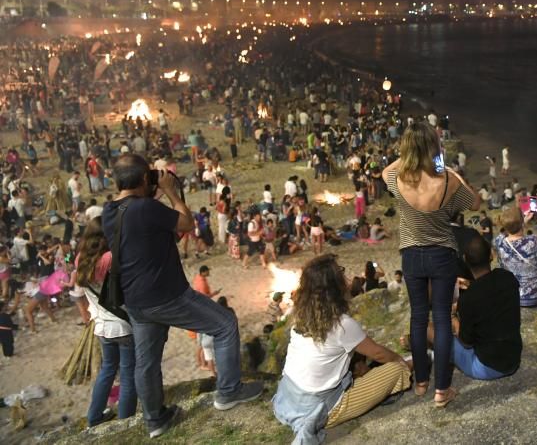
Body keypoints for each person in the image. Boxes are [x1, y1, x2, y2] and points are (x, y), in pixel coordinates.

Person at [102, 154, 262, 438]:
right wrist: (170, 191)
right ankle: (228, 392)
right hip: (166, 295)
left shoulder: (110, 211)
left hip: (135, 301)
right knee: (225, 325)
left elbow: (148, 235)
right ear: (143, 179)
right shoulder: (146, 208)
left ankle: (155, 420)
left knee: (147, 362)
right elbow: (187, 224)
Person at [382, 121, 478, 407]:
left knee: (417, 317)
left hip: (411, 254)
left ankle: (421, 382)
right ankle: (442, 390)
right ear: (434, 148)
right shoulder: (447, 180)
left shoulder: (397, 178)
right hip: (442, 255)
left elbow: (384, 170)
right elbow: (474, 203)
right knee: (442, 320)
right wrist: (446, 168)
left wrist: (409, 151)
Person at [272, 254, 411, 444]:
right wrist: (402, 360)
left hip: (288, 398)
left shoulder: (301, 315)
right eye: (341, 272)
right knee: (396, 369)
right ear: (334, 286)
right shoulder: (342, 324)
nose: (345, 277)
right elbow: (379, 353)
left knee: (356, 359)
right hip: (323, 407)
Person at [75, 219, 138, 427]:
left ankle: (94, 417)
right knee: (128, 375)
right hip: (121, 325)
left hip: (100, 326)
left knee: (108, 370)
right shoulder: (110, 259)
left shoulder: (79, 260)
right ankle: (124, 420)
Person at [451, 234, 521, 380]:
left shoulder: (468, 299)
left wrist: (453, 317)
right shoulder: (507, 278)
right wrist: (472, 286)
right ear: (491, 255)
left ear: (465, 260)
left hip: (487, 367)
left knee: (432, 330)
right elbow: (491, 293)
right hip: (513, 359)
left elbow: (466, 342)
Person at [493, 207, 537, 308]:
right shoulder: (533, 241)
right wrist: (522, 223)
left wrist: (520, 223)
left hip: (513, 296)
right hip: (534, 297)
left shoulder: (499, 241)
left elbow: (506, 234)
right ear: (522, 222)